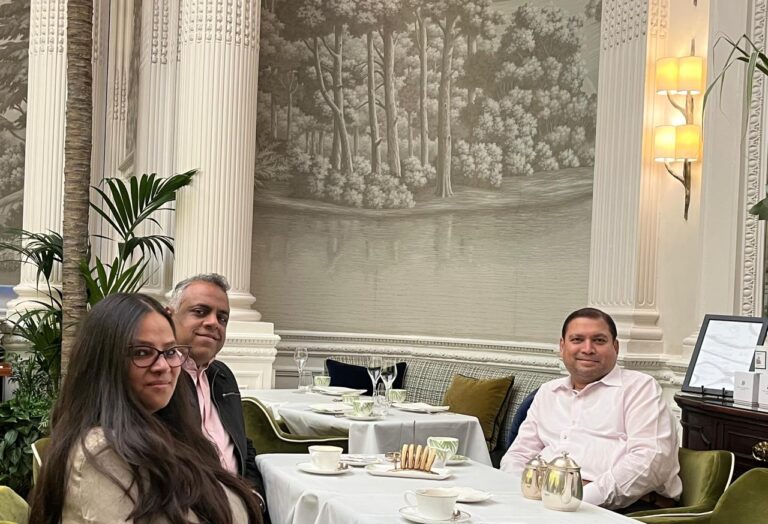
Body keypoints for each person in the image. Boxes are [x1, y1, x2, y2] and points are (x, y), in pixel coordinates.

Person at [29, 293, 262, 523]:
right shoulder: (102, 452)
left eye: (170, 352)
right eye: (142, 352)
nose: (163, 366)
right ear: (104, 364)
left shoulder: (170, 430)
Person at [500, 307, 682, 511]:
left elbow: (650, 461)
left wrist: (577, 497)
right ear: (562, 346)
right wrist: (521, 490)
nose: (587, 349)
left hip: (622, 507)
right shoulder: (548, 392)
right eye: (577, 340)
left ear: (616, 347)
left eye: (599, 340)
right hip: (544, 500)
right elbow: (519, 454)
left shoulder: (639, 389)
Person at [168, 274, 267, 514]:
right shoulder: (161, 377)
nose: (214, 323)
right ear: (169, 316)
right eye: (200, 312)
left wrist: (254, 496)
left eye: (222, 318)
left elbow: (243, 446)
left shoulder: (223, 376)